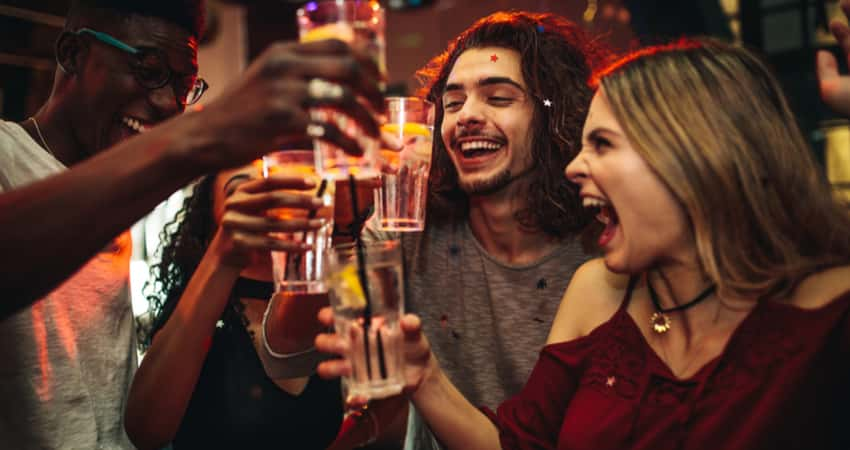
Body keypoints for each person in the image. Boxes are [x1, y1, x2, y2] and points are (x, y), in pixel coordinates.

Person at [319, 36, 850, 449]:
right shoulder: (599, 290)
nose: (576, 165)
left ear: (695, 155)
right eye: (451, 102)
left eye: (602, 144)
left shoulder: (828, 313)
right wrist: (425, 380)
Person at [0, 0, 382, 447]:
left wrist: (342, 224)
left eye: (184, 86)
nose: (167, 103)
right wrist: (199, 135)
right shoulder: (7, 153)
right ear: (72, 54)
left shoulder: (117, 181)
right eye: (148, 69)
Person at [340, 11, 607, 449]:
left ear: (554, 117)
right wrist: (339, 224)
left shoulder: (602, 248)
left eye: (498, 98)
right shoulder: (410, 224)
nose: (466, 117)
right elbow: (332, 317)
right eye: (453, 102)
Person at [125, 162, 346, 449]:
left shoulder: (325, 300)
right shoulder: (198, 312)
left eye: (277, 185)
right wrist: (223, 258)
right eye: (244, 191)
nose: (267, 197)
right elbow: (146, 431)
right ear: (212, 223)